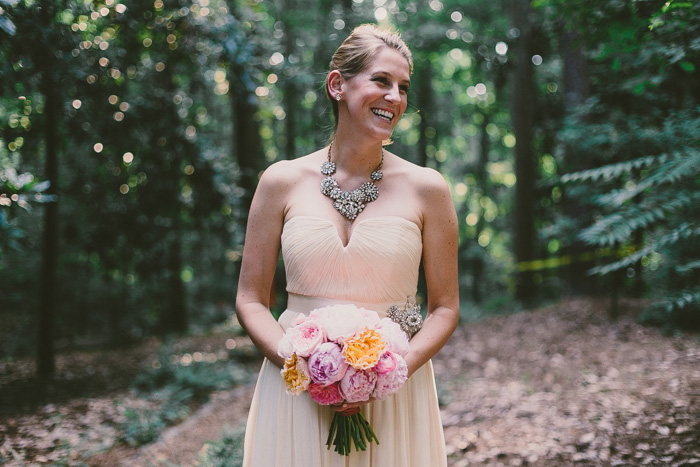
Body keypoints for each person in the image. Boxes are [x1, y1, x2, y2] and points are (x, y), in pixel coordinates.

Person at [235, 23, 459, 467]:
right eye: (381, 80)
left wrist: (389, 373)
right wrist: (301, 364)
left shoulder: (427, 189)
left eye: (403, 87)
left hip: (395, 395)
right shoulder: (280, 182)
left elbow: (445, 308)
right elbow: (250, 299)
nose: (395, 97)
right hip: (297, 391)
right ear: (337, 84)